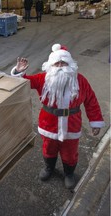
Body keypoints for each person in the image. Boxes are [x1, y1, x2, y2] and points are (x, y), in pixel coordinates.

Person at [11, 44, 105, 189]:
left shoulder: (80, 80)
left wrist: (95, 122)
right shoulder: (44, 78)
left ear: (71, 65)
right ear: (51, 65)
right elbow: (24, 83)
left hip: (72, 126)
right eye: (57, 63)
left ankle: (69, 173)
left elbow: (91, 101)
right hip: (49, 125)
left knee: (70, 153)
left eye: (64, 63)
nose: (60, 66)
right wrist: (19, 72)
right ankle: (49, 168)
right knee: (48, 149)